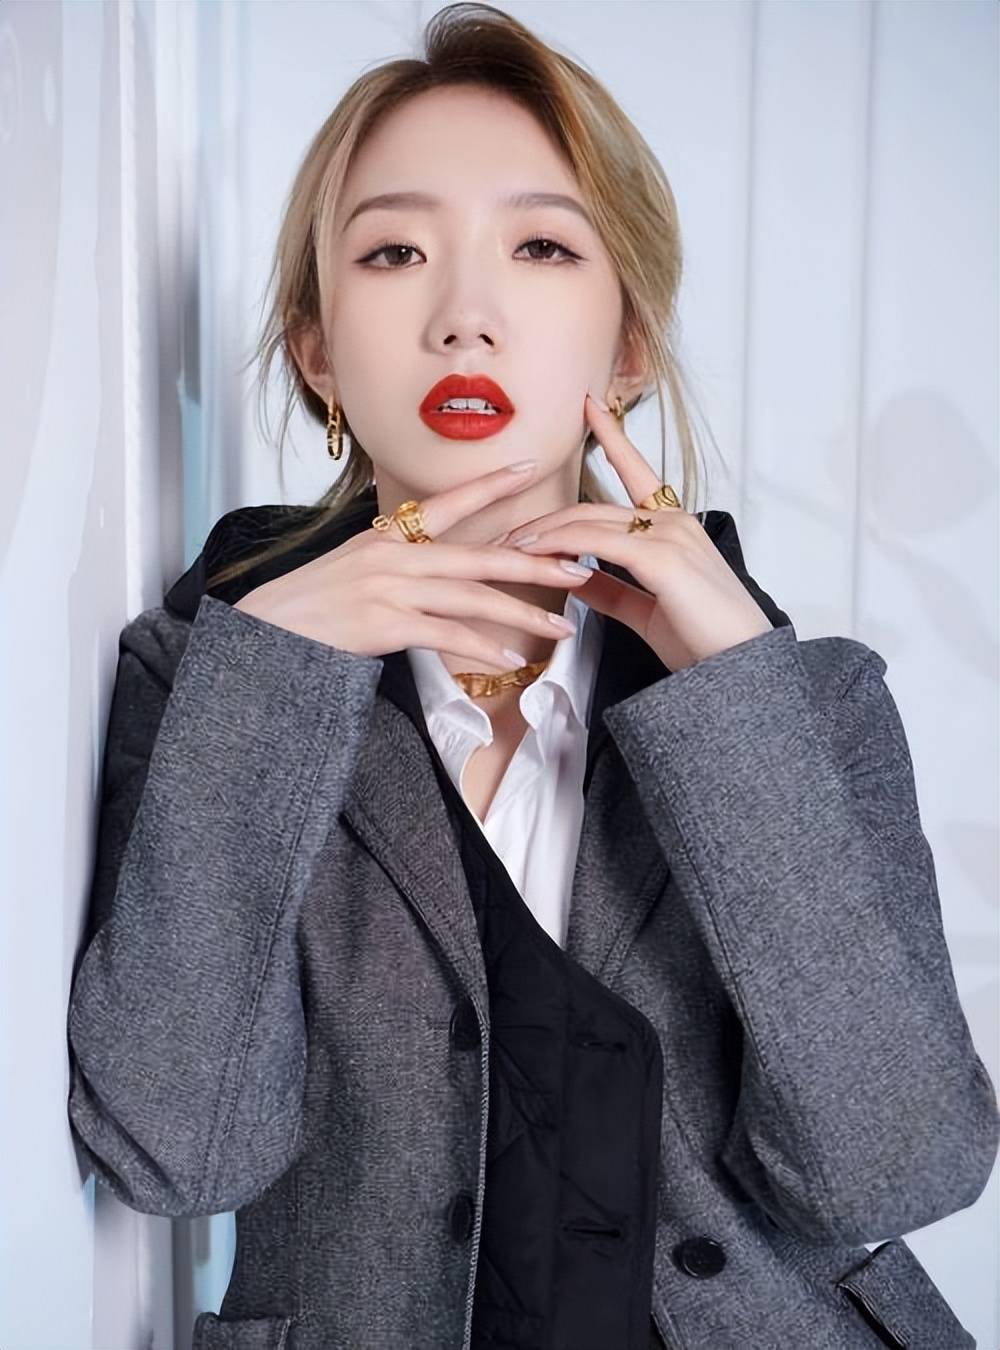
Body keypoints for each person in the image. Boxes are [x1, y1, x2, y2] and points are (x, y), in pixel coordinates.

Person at [66, 5, 999, 1349]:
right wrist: (274, 675)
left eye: (543, 247)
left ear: (628, 344)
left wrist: (736, 702)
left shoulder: (812, 705)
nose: (466, 317)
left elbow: (893, 1171)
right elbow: (176, 1152)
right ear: (319, 350)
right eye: (394, 252)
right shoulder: (212, 690)